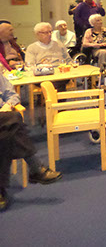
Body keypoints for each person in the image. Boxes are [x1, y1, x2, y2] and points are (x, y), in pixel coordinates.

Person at [0, 74, 62, 211]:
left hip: (3, 118)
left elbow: (12, 94)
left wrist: (9, 105)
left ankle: (1, 190)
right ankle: (36, 168)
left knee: (7, 132)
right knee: (14, 120)